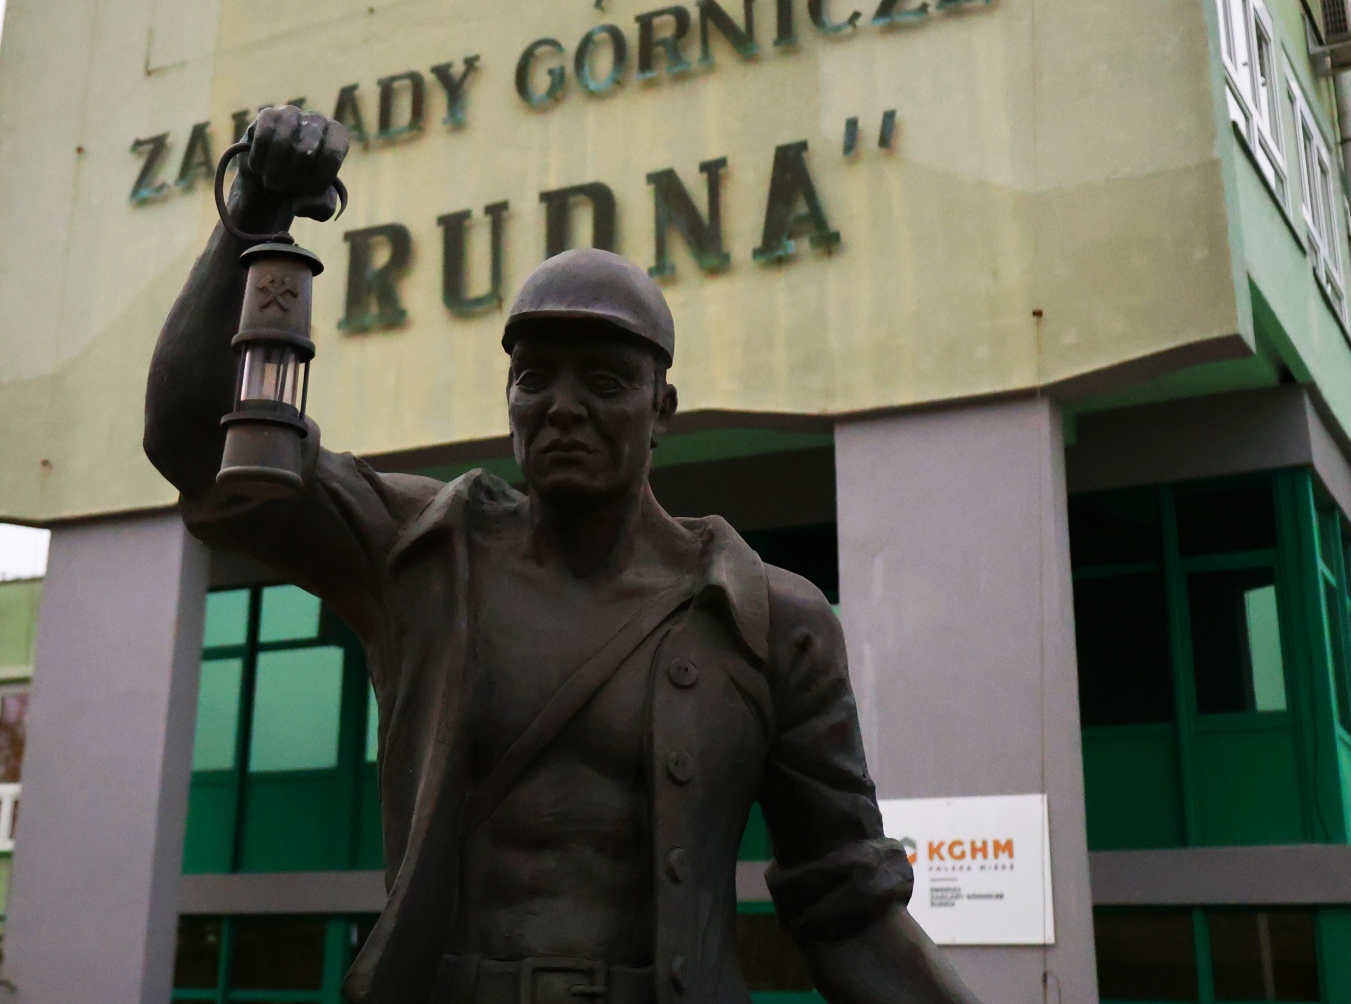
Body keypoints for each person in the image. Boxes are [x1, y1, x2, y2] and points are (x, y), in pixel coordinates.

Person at [144, 107, 980, 1004]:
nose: (563, 406)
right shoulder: (421, 551)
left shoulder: (771, 621)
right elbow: (193, 441)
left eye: (606, 381)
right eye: (535, 377)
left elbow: (849, 906)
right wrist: (256, 212)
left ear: (662, 411)